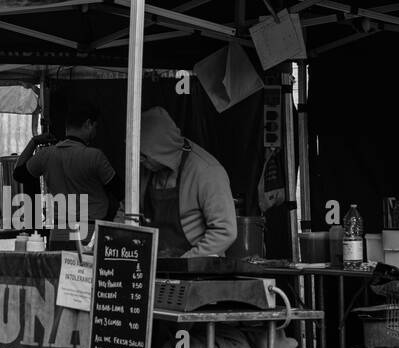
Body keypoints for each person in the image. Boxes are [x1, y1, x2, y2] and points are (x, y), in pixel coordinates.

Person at [13, 99, 122, 238]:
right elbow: (119, 192)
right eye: (95, 127)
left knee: (58, 260)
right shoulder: (95, 156)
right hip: (90, 232)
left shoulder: (46, 155)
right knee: (85, 261)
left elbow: (18, 174)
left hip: (59, 231)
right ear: (88, 124)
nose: (95, 131)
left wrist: (34, 142)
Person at [138, 106, 237, 259]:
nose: (139, 160)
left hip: (196, 270)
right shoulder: (146, 169)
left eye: (144, 155)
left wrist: (184, 264)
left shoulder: (207, 171)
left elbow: (224, 231)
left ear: (161, 149)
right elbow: (126, 212)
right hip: (152, 265)